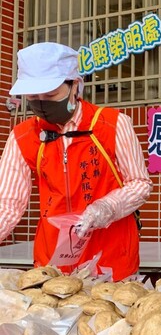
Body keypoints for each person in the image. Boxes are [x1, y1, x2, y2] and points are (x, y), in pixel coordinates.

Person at [0, 42, 153, 281]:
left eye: (50, 94)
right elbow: (7, 204)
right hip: (53, 266)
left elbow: (140, 183)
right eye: (32, 96)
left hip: (112, 260)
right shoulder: (22, 136)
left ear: (75, 86)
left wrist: (105, 208)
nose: (41, 102)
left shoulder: (113, 124)